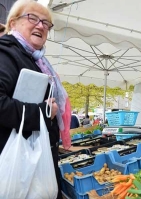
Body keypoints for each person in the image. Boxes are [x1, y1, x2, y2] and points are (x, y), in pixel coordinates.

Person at [0, 0, 71, 198]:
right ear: (13, 23)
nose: (41, 25)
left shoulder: (36, 60)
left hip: (34, 162)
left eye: (46, 23)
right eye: (32, 18)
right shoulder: (5, 53)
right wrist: (45, 112)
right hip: (17, 165)